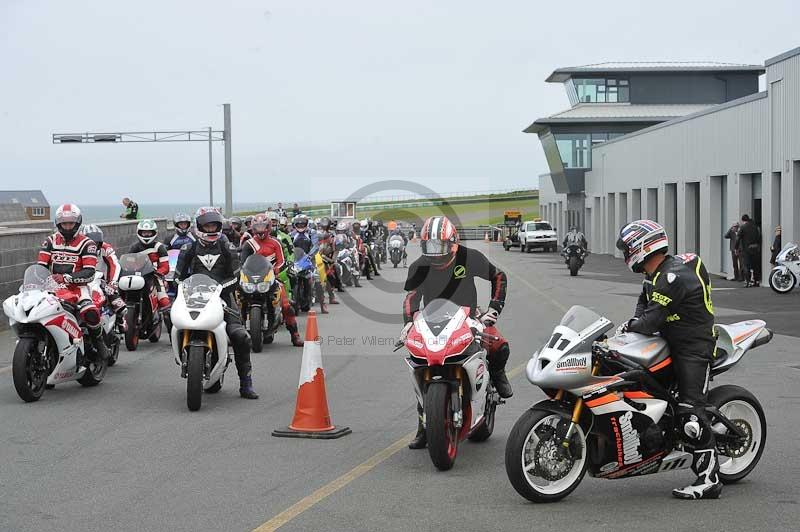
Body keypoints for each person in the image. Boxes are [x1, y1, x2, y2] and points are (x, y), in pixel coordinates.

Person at [615, 219, 720, 500]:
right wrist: (632, 324)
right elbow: (643, 307)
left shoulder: (671, 276)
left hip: (693, 346)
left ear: (642, 246)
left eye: (627, 248)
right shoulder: (654, 274)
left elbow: (650, 320)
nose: (626, 254)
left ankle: (709, 480)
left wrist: (631, 326)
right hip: (667, 340)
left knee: (690, 412)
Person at [401, 215, 511, 450]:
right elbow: (411, 298)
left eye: (439, 246)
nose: (435, 252)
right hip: (432, 320)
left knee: (500, 345)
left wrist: (494, 309)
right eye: (429, 246)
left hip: (470, 316)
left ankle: (497, 374)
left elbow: (499, 276)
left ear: (452, 242)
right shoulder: (419, 266)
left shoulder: (469, 257)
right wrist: (409, 322)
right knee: (420, 361)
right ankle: (424, 427)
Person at [176, 207, 259, 399]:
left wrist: (219, 289)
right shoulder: (188, 248)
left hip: (224, 297)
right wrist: (180, 286)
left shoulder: (227, 247)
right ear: (199, 226)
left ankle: (246, 383)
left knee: (240, 336)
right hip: (194, 297)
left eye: (214, 225)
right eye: (207, 225)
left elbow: (237, 276)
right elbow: (178, 277)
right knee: (174, 320)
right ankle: (184, 356)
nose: (211, 229)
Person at [38, 204, 109, 361]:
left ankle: (99, 341)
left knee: (90, 311)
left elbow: (89, 271)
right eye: (64, 223)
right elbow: (40, 267)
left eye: (70, 223)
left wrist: (67, 278)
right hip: (53, 287)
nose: (67, 226)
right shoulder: (49, 242)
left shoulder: (87, 244)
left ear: (77, 223)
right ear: (58, 223)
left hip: (78, 288)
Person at [240, 214, 304, 347]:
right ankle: (236, 333)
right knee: (236, 300)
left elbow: (281, 261)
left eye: (263, 226)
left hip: (272, 278)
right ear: (253, 228)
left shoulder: (276, 243)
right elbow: (243, 263)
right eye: (257, 227)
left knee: (286, 306)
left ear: (268, 227)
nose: (260, 230)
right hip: (252, 279)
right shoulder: (248, 244)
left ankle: (295, 335)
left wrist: (276, 270)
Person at [80, 224, 127, 330]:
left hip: (101, 279)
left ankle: (120, 318)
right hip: (81, 280)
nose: (93, 244)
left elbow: (115, 264)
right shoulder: (76, 249)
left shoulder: (105, 248)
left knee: (115, 298)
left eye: (96, 242)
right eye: (90, 241)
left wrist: (113, 282)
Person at [129, 219, 171, 312]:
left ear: (154, 233)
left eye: (149, 233)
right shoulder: (134, 247)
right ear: (139, 233)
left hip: (155, 277)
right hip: (138, 276)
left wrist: (158, 272)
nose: (147, 235)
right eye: (144, 233)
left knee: (164, 300)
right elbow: (128, 264)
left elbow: (165, 266)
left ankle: (169, 323)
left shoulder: (159, 247)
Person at [737, 214, 761, 287]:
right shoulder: (756, 227)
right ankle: (756, 281)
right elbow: (759, 237)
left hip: (747, 249)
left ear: (743, 221)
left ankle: (748, 281)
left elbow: (738, 238)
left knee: (747, 265)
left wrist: (736, 248)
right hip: (756, 248)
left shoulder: (743, 227)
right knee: (756, 265)